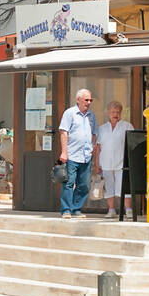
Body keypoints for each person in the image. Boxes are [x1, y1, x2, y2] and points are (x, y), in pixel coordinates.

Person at [57, 88, 99, 219]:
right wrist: (64, 152)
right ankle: (66, 210)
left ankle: (76, 209)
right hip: (72, 155)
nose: (89, 102)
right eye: (86, 100)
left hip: (86, 156)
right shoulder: (70, 113)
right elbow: (64, 132)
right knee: (69, 183)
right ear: (78, 100)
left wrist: (92, 146)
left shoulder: (92, 116)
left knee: (84, 185)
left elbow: (93, 133)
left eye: (90, 100)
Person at [97, 101, 134, 218]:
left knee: (124, 187)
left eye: (117, 112)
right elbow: (98, 147)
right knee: (109, 187)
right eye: (113, 112)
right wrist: (97, 163)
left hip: (122, 162)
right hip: (106, 162)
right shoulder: (102, 128)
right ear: (108, 113)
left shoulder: (127, 126)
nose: (115, 114)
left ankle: (128, 210)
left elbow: (132, 144)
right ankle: (111, 210)